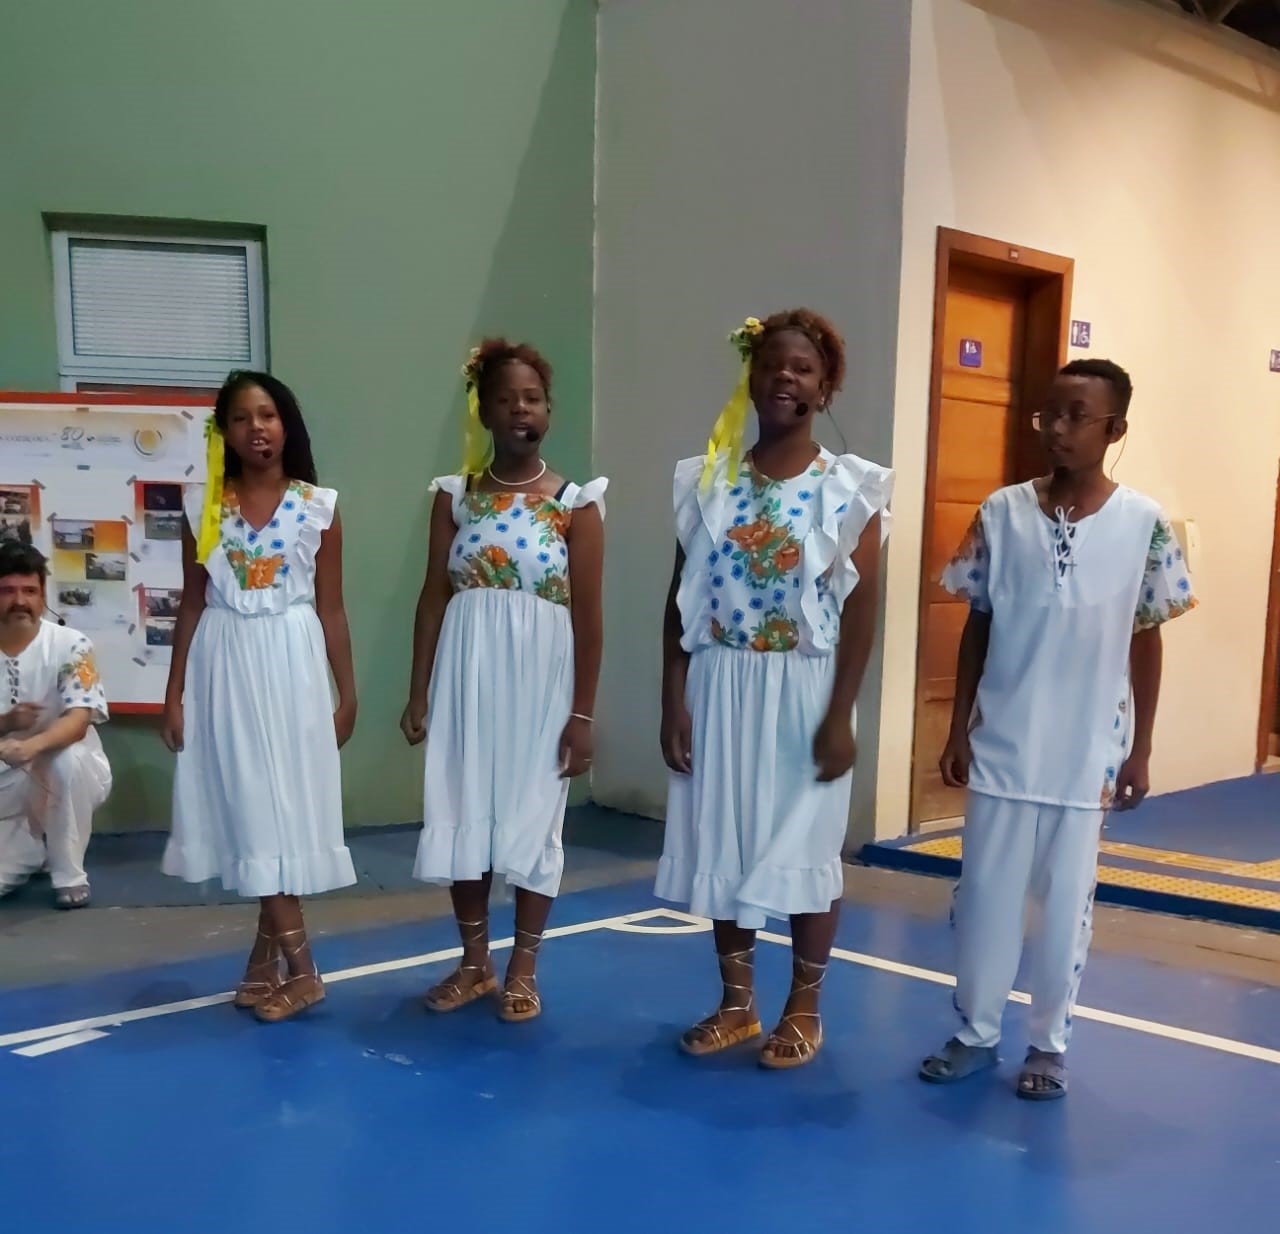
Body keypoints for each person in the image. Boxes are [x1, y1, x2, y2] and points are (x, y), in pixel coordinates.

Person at [919, 358, 1197, 1100]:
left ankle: (1049, 1044)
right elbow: (978, 623)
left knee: (1067, 905)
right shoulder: (1002, 513)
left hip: (1086, 750)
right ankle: (976, 1032)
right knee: (986, 895)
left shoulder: (1143, 524)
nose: (1059, 429)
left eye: (1079, 416)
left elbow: (1146, 637)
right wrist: (957, 728)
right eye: (1051, 414)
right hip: (1004, 742)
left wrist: (1140, 749)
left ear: (1115, 429)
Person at [656, 309, 893, 1068]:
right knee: (725, 844)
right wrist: (672, 698)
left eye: (803, 369)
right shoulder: (707, 481)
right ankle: (737, 1005)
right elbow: (679, 601)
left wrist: (841, 714)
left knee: (806, 850)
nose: (785, 377)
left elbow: (861, 612)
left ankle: (804, 1009)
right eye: (772, 365)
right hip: (721, 681)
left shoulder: (848, 488)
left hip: (804, 689)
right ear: (751, 378)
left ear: (825, 389)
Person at [403, 337, 605, 1023]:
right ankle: (473, 963)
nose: (521, 409)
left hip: (542, 680)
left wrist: (583, 714)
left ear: (548, 411)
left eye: (533, 398)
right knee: (464, 808)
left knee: (532, 813)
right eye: (506, 399)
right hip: (467, 673)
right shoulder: (454, 497)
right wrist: (419, 690)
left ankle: (523, 968)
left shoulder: (576, 502)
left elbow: (589, 617)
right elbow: (433, 596)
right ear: (484, 412)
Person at [162, 370, 358, 1023]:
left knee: (283, 813)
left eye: (268, 415)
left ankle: (299, 973)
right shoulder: (202, 507)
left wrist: (347, 692)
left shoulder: (318, 507)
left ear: (286, 424)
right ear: (224, 432)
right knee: (251, 810)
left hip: (293, 663)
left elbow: (332, 608)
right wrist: (174, 692)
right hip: (225, 664)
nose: (257, 429)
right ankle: (275, 964)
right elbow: (192, 604)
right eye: (243, 418)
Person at [0, 542, 112, 908]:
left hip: (69, 774)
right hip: (6, 784)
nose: (20, 601)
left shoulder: (71, 644)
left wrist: (30, 746)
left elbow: (79, 720)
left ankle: (69, 875)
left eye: (29, 591)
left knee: (65, 760)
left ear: (43, 594)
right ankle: (31, 850)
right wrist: (6, 723)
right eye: (8, 591)